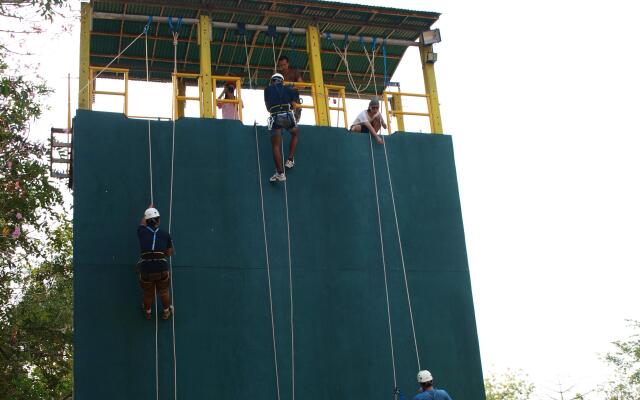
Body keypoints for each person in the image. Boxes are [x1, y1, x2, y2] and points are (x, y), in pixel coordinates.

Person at [137, 205, 174, 320]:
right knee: (163, 292)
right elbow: (169, 252)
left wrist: (147, 210)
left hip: (146, 270)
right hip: (161, 268)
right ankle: (166, 311)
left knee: (148, 293)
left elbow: (142, 223)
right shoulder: (165, 234)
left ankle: (147, 312)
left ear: (147, 221)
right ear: (158, 220)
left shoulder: (141, 232)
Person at [264, 72, 300, 182]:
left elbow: (267, 107)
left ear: (272, 81)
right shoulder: (289, 89)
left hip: (275, 117)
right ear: (282, 81)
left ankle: (280, 173)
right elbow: (294, 105)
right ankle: (290, 159)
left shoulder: (267, 89)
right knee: (295, 133)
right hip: (288, 116)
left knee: (276, 146)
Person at [277, 55, 303, 123]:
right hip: (283, 99)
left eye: (284, 65)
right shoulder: (278, 75)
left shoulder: (294, 72)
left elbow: (302, 85)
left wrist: (291, 88)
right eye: (281, 65)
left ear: (288, 64)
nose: (283, 67)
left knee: (295, 119)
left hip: (294, 97)